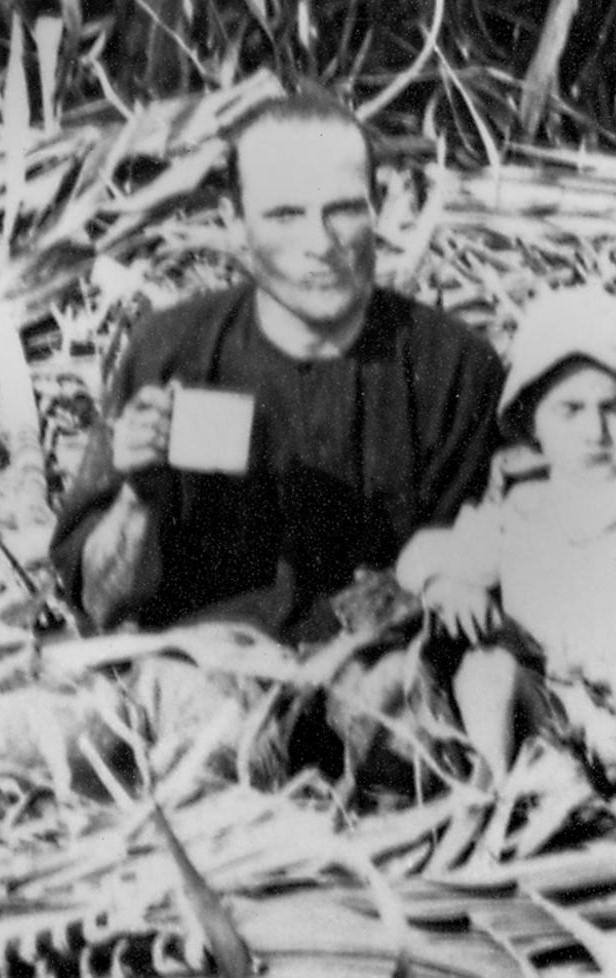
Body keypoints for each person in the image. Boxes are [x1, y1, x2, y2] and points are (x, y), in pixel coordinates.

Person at [58, 88, 504, 637]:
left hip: (384, 660)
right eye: (285, 215)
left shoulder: (454, 369)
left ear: (379, 207)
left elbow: (493, 565)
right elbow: (99, 603)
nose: (320, 242)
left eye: (343, 209)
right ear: (235, 223)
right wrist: (138, 496)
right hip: (199, 663)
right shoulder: (169, 353)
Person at [395, 288, 616, 765]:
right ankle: (498, 785)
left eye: (615, 408)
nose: (594, 433)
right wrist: (450, 585)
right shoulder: (520, 512)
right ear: (533, 424)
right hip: (545, 710)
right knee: (487, 671)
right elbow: (419, 558)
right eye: (569, 410)